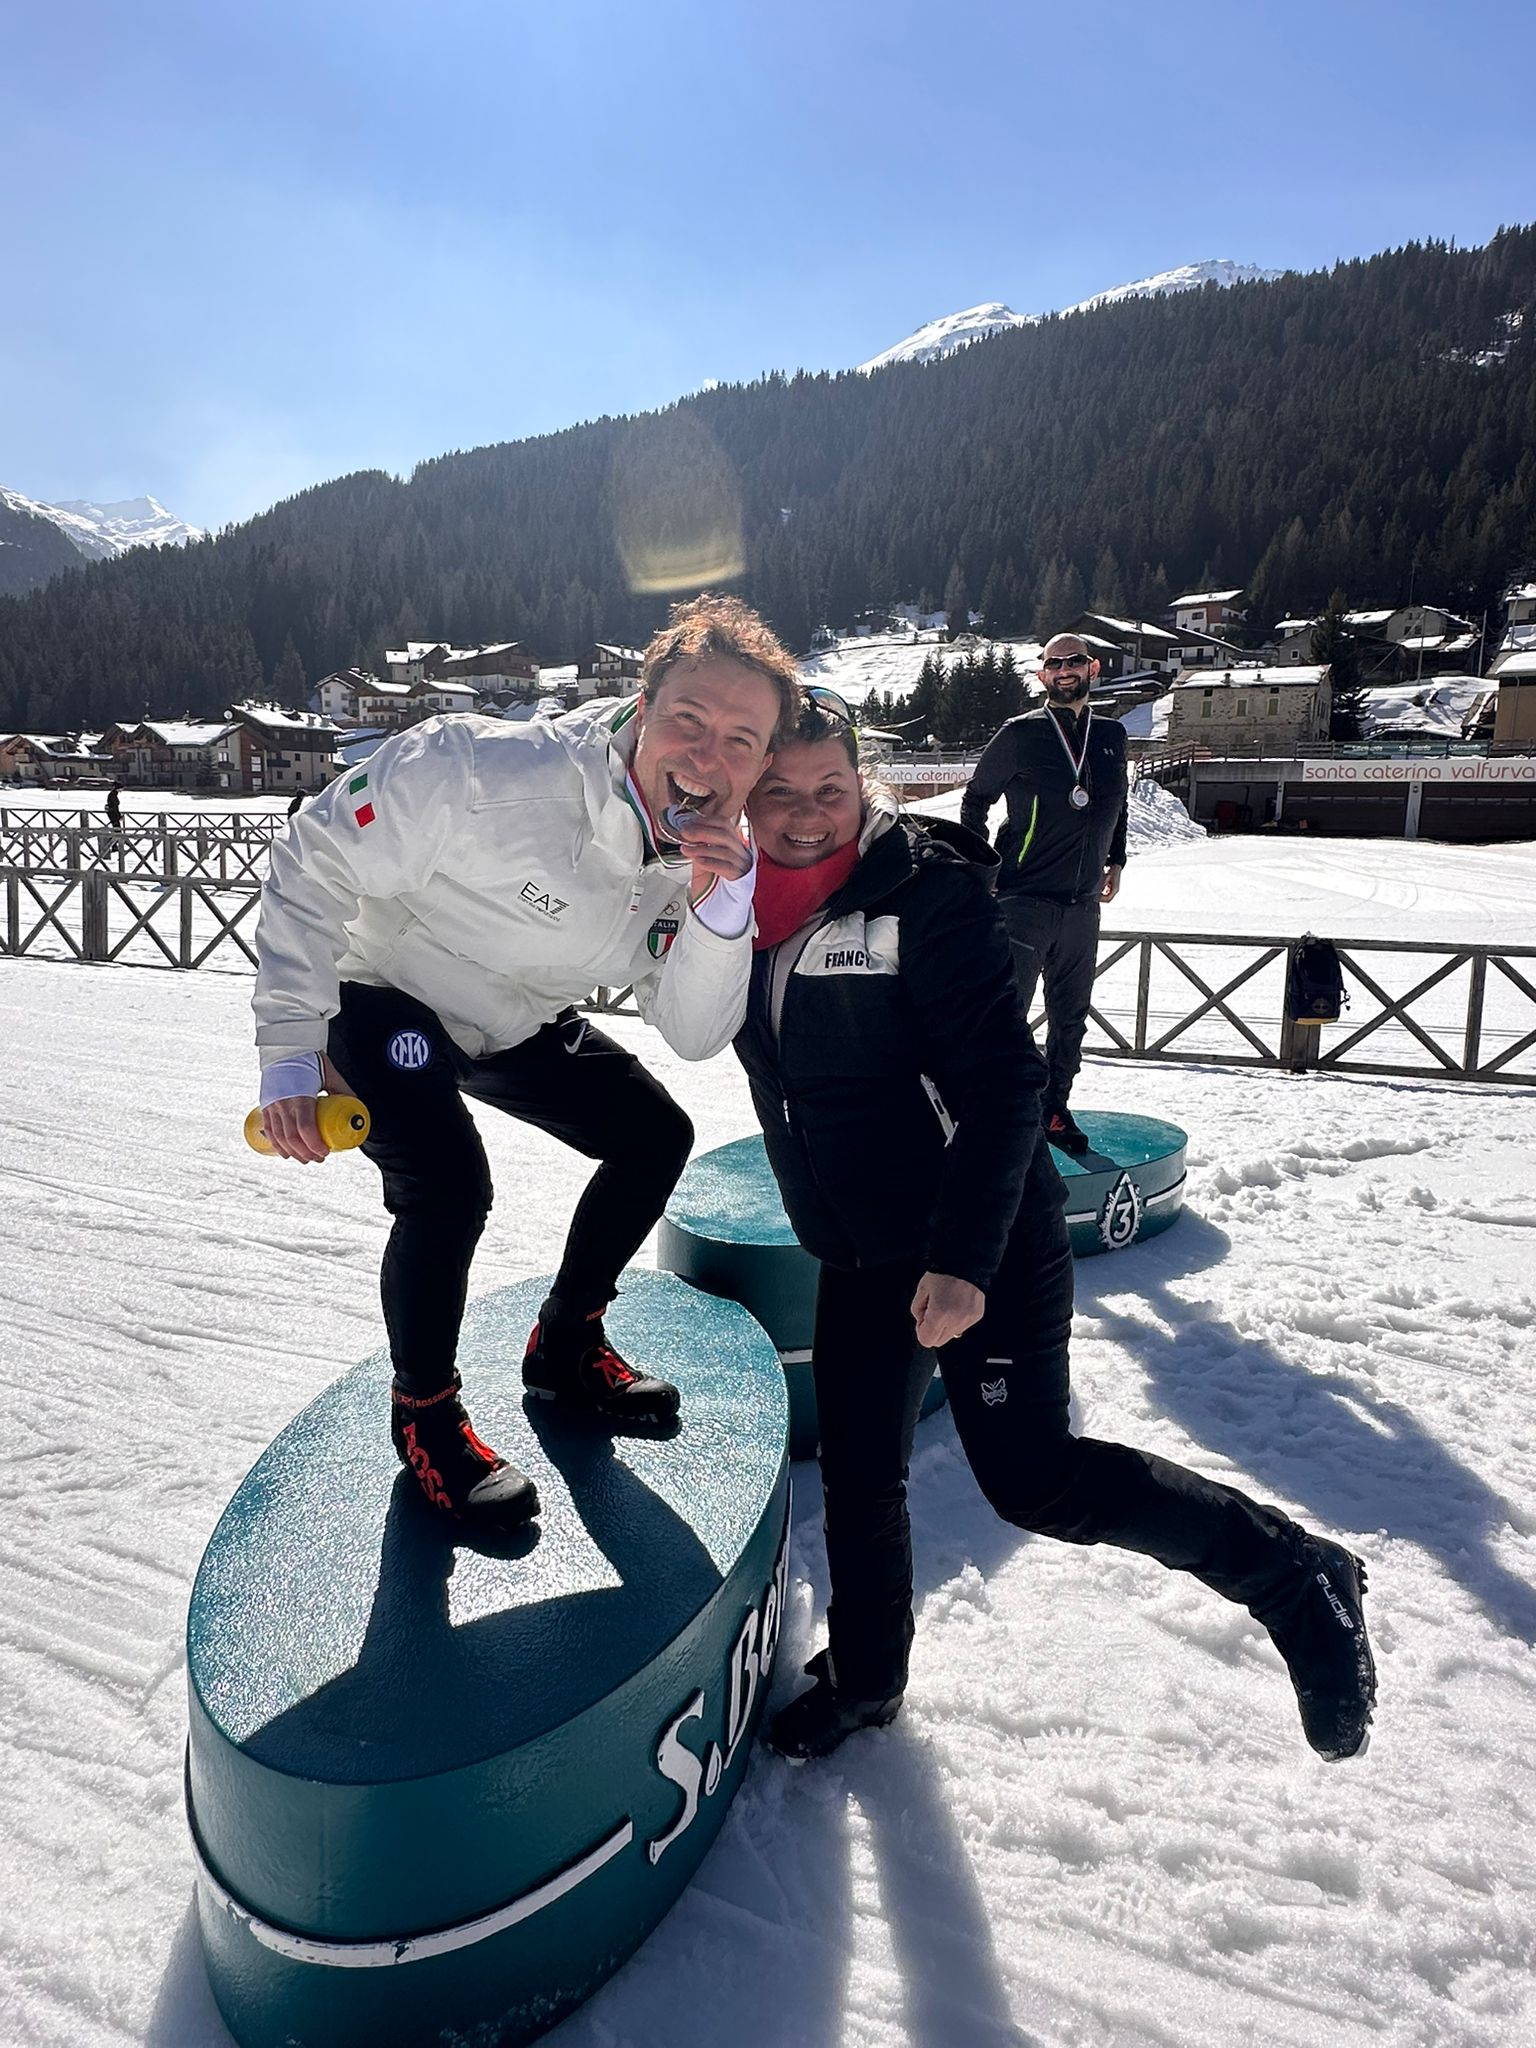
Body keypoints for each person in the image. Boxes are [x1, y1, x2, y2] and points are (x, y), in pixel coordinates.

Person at [735, 695, 1375, 1762]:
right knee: (858, 1469)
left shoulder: (925, 897)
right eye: (779, 792)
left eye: (829, 789)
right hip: (860, 1245)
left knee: (1036, 1478)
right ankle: (867, 1678)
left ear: (865, 785)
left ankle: (1294, 1574)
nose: (806, 815)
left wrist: (963, 1261)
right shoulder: (740, 909)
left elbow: (1006, 1085)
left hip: (983, 1238)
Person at [252, 594, 795, 1530]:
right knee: (448, 1184)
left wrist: (722, 904)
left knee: (655, 1136)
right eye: (689, 720)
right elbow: (313, 859)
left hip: (512, 1016)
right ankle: (425, 1415)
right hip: (382, 992)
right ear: (642, 709)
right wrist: (292, 1048)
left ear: (761, 763)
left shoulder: (705, 860)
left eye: (741, 741)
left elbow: (694, 1030)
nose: (708, 758)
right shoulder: (482, 769)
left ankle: (566, 1346)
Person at [959, 631, 1127, 1155]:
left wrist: (1116, 858)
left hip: (1082, 904)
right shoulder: (1021, 734)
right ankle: (1003, 1109)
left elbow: (1116, 801)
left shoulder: (1112, 735)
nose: (1064, 670)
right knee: (1007, 1014)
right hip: (1024, 898)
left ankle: (1054, 1107)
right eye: (1054, 664)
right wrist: (981, 870)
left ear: (1092, 668)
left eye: (1073, 661)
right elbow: (975, 799)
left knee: (1070, 1018)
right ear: (1042, 675)